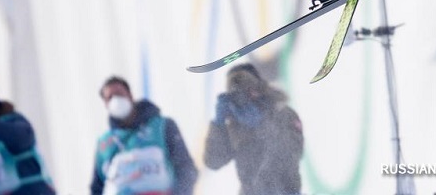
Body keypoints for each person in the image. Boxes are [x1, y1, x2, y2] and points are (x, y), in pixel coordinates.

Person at [204, 63, 304, 195]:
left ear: (260, 89)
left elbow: (292, 152)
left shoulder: (284, 113)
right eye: (236, 94)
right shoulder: (235, 126)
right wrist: (218, 124)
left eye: (248, 90)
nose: (244, 98)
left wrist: (262, 125)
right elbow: (214, 162)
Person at [90, 76, 198, 195]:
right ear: (105, 105)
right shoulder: (104, 144)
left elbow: (186, 168)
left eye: (119, 94)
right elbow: (97, 188)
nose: (115, 100)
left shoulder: (162, 126)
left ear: (130, 95)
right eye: (109, 98)